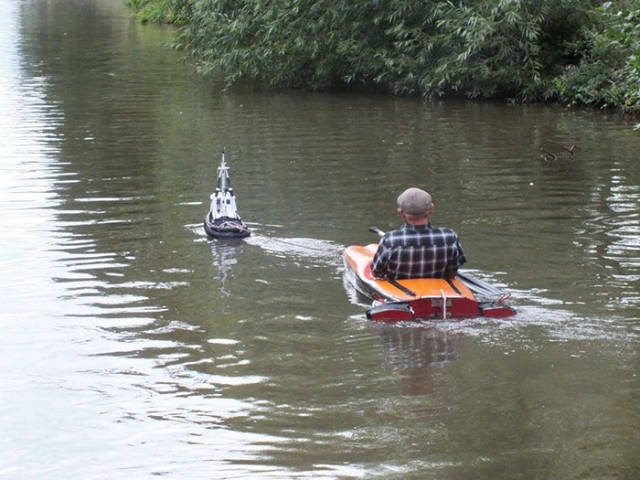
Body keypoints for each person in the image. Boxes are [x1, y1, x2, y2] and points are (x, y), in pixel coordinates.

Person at [371, 187, 466, 280]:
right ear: (431, 209)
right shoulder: (450, 236)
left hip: (400, 291)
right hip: (439, 289)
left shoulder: (390, 239)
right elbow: (454, 269)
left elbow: (376, 272)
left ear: (401, 213)